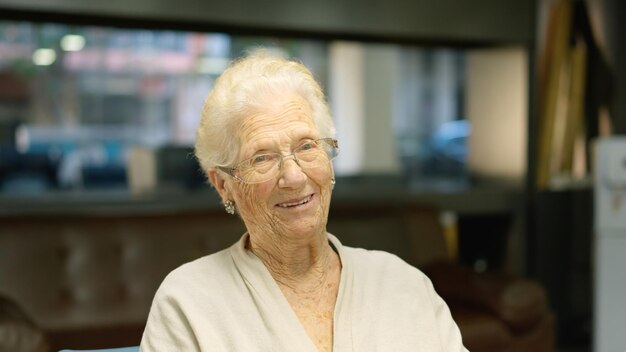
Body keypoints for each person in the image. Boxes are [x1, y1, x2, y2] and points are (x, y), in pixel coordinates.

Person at [140, 49, 467, 351]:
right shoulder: (188, 302)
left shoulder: (403, 282)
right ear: (223, 185)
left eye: (307, 146)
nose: (294, 177)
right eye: (262, 158)